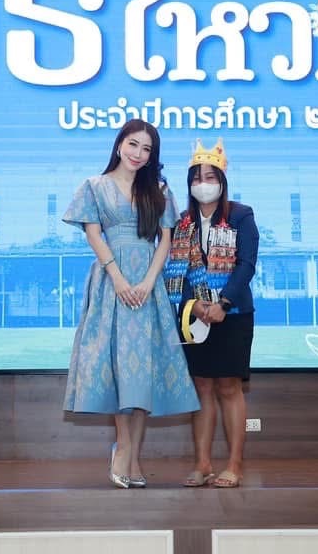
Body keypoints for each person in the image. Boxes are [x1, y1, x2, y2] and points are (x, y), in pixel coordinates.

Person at [62, 119, 200, 489]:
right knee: (120, 368)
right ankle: (123, 450)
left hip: (148, 285)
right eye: (133, 144)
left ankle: (133, 457)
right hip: (112, 283)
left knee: (143, 372)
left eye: (146, 149)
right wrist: (119, 279)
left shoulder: (158, 190)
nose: (138, 154)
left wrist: (149, 282)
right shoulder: (94, 186)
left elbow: (165, 240)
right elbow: (94, 235)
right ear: (120, 144)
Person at [165, 138, 259, 489]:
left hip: (234, 314)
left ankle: (234, 465)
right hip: (195, 316)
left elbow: (247, 264)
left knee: (229, 387)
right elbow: (176, 269)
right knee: (201, 386)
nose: (202, 184)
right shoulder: (182, 223)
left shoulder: (241, 215)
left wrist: (223, 304)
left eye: (209, 177)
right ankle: (202, 464)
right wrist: (198, 305)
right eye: (196, 178)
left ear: (221, 180)